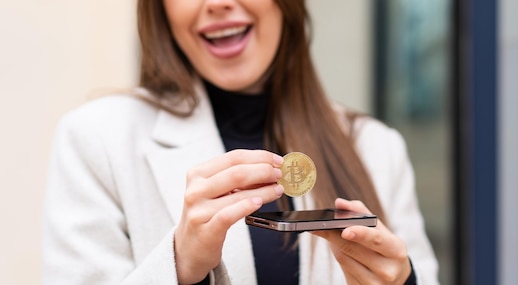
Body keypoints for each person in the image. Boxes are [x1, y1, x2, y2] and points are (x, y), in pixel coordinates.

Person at [42, 0, 439, 284]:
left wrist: (404, 282)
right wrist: (181, 266)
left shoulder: (375, 147)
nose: (217, 4)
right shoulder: (95, 139)